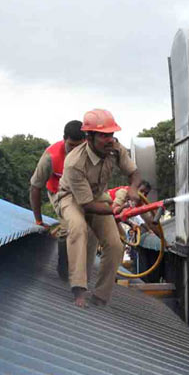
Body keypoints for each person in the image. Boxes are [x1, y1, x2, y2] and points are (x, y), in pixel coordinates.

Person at [57, 108, 144, 307]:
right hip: (72, 198)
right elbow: (86, 205)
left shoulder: (115, 149)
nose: (109, 140)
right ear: (89, 137)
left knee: (115, 244)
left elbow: (135, 173)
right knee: (78, 228)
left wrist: (132, 188)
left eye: (111, 134)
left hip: (97, 198)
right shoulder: (74, 163)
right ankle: (79, 291)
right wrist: (115, 210)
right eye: (104, 136)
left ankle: (100, 296)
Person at [29, 120, 95, 279]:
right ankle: (64, 271)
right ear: (64, 139)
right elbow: (35, 187)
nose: (74, 150)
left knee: (91, 229)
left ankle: (84, 271)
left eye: (79, 146)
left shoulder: (91, 154)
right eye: (71, 145)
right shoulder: (50, 157)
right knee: (68, 227)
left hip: (80, 192)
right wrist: (38, 220)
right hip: (58, 193)